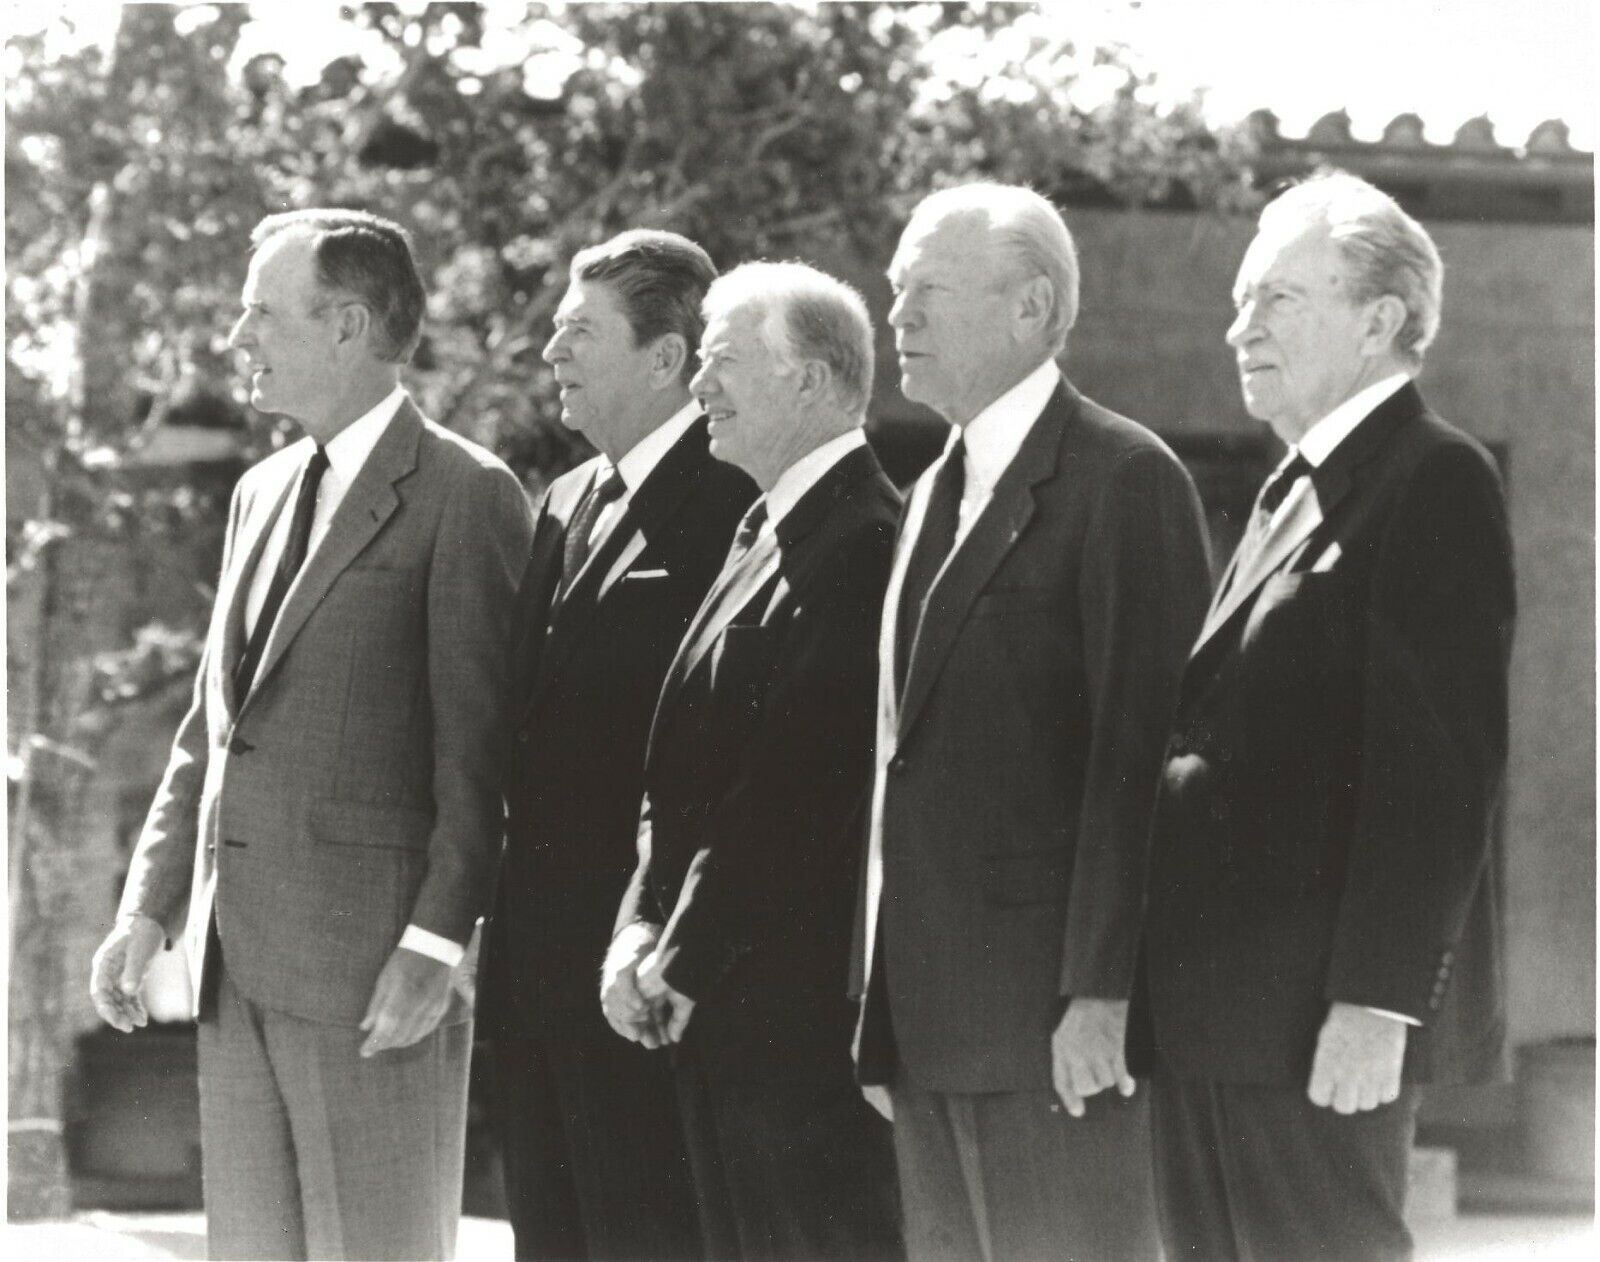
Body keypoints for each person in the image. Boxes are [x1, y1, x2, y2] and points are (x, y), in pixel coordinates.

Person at [88, 210, 534, 1260]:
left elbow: (486, 756)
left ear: (345, 324)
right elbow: (210, 729)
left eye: (258, 313)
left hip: (375, 978)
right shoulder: (260, 490)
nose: (238, 338)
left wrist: (434, 946)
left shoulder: (468, 494)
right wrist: (146, 909)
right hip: (229, 967)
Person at [1128, 171, 1517, 1261]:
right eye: (1240, 301)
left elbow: (1437, 774)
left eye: (1277, 301)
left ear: (1380, 318)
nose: (1236, 327)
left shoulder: (1431, 477)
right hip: (1216, 1014)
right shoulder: (1284, 493)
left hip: (1313, 1021)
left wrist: (1376, 1000)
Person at [852, 182, 1212, 1261]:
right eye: (893, 289)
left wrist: (1103, 994)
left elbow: (1141, 759)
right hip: (928, 1020)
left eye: (927, 290)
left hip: (1053, 1028)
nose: (897, 316)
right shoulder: (929, 490)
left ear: (1030, 306)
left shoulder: (1124, 478)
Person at [604, 261, 904, 1261]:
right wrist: (638, 926)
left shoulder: (862, 539)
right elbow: (684, 764)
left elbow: (793, 785)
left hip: (792, 1027)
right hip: (715, 1008)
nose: (698, 387)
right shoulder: (763, 527)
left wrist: (679, 950)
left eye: (725, 360)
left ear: (813, 382)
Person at [477, 229, 754, 1261]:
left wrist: (661, 935)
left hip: (645, 975)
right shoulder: (562, 501)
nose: (552, 352)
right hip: (536, 974)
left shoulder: (735, 499)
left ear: (666, 358)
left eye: (577, 331)